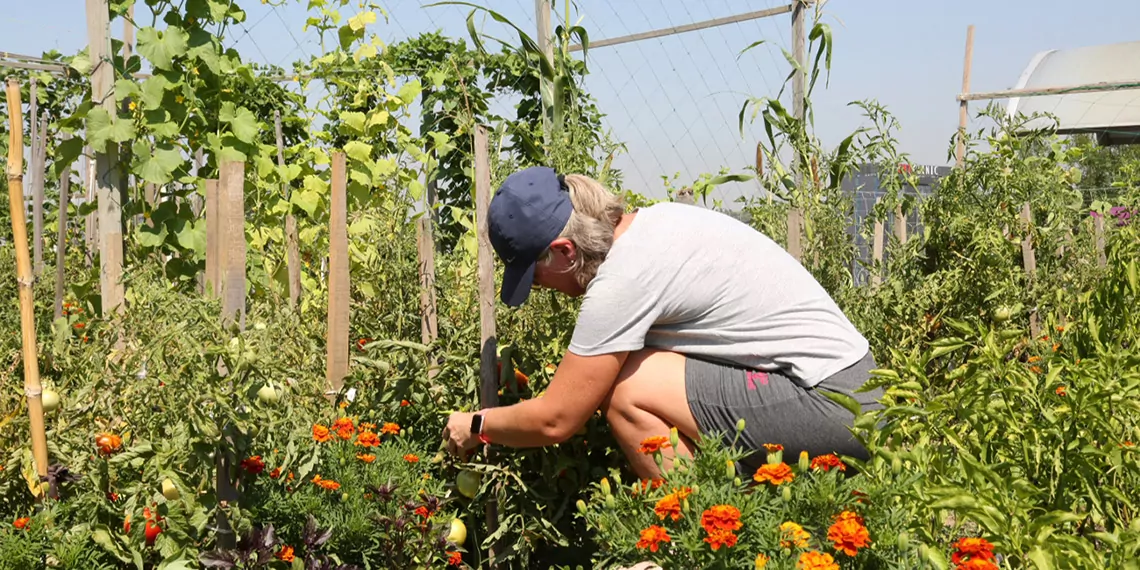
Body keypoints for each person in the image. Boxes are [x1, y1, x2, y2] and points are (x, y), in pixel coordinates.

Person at [442, 166, 883, 479]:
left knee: (625, 389)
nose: (538, 287)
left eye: (531, 274)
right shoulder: (654, 225)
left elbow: (557, 418)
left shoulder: (623, 280)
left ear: (564, 252)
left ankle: (703, 540)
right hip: (858, 387)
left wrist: (477, 425)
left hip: (835, 403)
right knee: (632, 366)